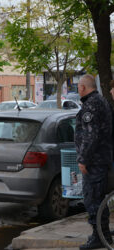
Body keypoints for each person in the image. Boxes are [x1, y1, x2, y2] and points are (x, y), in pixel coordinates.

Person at [75, 74, 113, 249]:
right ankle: (103, 235)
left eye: (78, 87)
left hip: (94, 162)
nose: (77, 89)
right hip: (101, 159)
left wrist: (83, 159)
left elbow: (90, 136)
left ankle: (98, 236)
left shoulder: (91, 106)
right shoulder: (101, 101)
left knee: (93, 200)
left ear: (83, 87)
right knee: (98, 199)